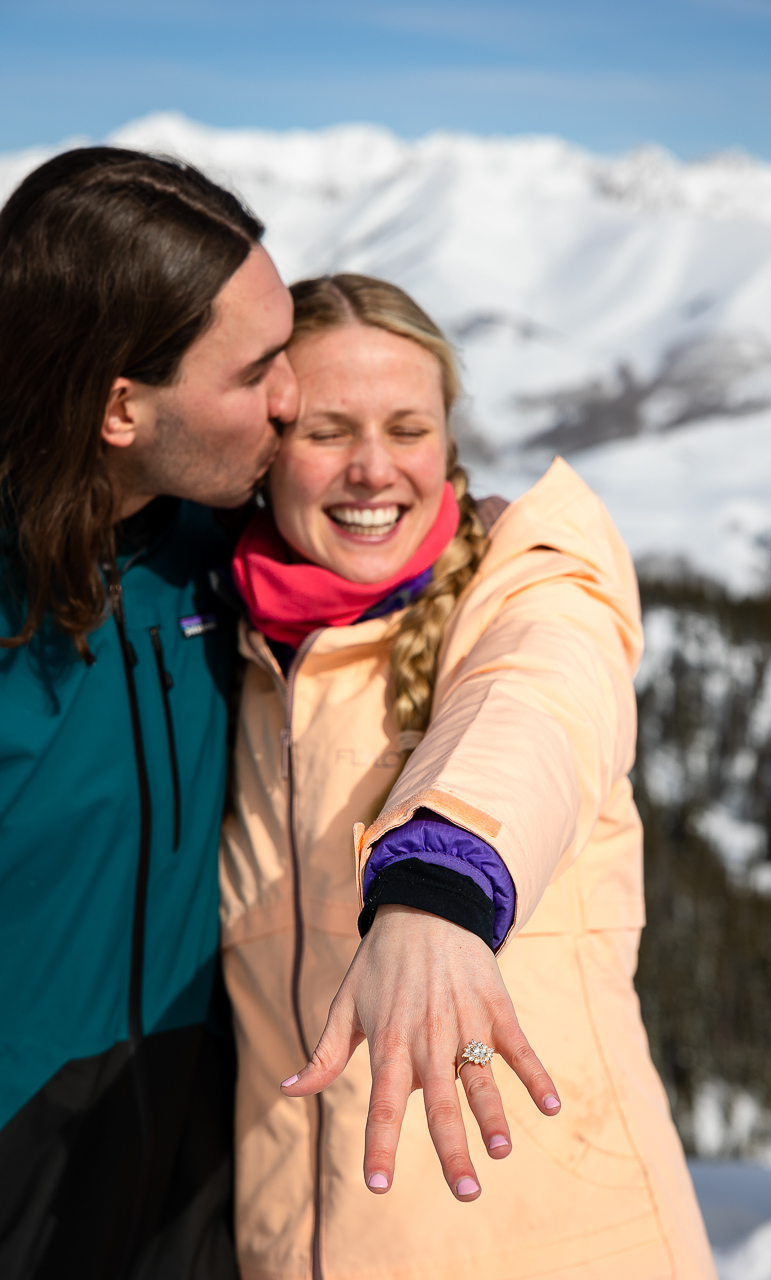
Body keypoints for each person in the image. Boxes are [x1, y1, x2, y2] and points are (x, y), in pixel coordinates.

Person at [221, 274, 717, 1279]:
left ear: (446, 443)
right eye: (327, 431)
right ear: (268, 447)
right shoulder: (238, 653)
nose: (372, 470)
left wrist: (438, 885)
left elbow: (532, 707)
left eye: (407, 427)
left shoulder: (527, 586)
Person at [0, 147, 298, 1278]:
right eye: (257, 368)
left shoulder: (220, 543)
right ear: (121, 405)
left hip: (198, 1168)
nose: (293, 397)